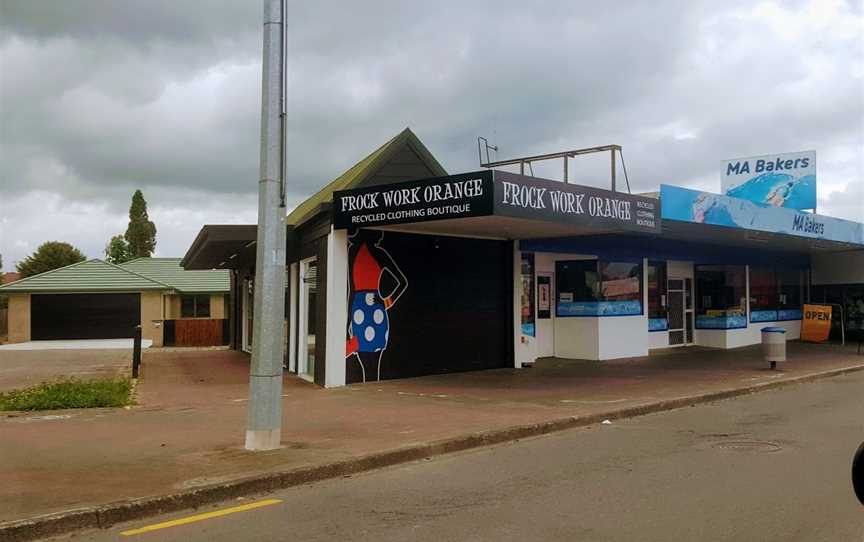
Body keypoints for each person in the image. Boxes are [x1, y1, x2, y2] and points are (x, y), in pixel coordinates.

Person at [345, 230, 407, 383]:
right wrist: (348, 322)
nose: (379, 234)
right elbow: (351, 290)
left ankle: (372, 393)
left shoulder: (362, 252)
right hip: (364, 311)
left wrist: (385, 300)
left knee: (372, 359)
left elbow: (402, 282)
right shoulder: (358, 252)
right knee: (366, 358)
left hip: (364, 310)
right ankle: (371, 393)